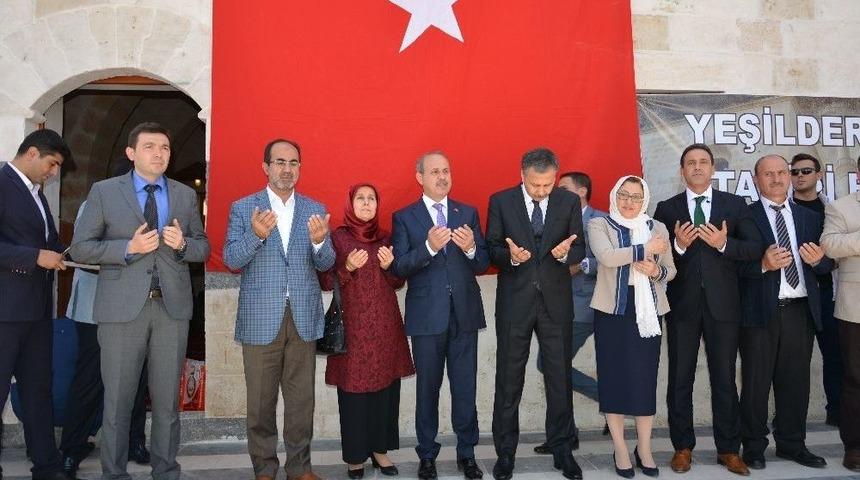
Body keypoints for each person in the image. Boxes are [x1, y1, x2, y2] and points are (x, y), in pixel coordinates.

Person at [69, 122, 210, 480]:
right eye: (150, 147)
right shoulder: (104, 192)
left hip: (171, 309)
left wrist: (182, 245)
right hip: (120, 311)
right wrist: (126, 249)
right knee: (117, 401)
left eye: (164, 147)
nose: (160, 153)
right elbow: (81, 247)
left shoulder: (183, 195)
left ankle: (166, 470)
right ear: (131, 153)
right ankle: (114, 473)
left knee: (166, 404)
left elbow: (202, 247)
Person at [223, 138, 334, 480]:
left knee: (302, 401)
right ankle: (265, 468)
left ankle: (300, 467)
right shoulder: (244, 208)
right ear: (266, 167)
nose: (288, 169)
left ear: (300, 167)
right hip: (260, 318)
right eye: (280, 162)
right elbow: (231, 260)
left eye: (294, 163)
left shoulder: (314, 209)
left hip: (302, 317)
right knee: (260, 402)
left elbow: (327, 262)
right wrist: (255, 235)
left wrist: (319, 242)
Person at [652, 143, 763, 476]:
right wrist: (678, 245)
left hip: (724, 306)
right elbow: (656, 256)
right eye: (690, 163)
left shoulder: (734, 204)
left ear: (713, 168)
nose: (697, 167)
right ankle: (682, 447)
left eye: (703, 162)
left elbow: (755, 248)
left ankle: (729, 450)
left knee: (725, 379)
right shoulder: (667, 208)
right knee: (680, 379)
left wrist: (723, 244)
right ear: (682, 170)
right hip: (683, 307)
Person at [485, 148, 585, 480]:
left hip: (556, 303)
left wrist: (565, 254)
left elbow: (580, 246)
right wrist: (510, 257)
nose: (541, 191)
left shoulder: (568, 203)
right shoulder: (501, 201)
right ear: (522, 175)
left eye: (547, 185)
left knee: (559, 378)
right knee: (508, 380)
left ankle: (562, 449)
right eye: (535, 185)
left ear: (555, 177)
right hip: (515, 302)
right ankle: (505, 453)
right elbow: (492, 248)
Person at [391, 151, 488, 480]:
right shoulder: (405, 217)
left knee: (465, 389)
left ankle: (467, 453)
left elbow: (482, 263)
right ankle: (427, 455)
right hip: (426, 318)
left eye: (446, 170)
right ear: (419, 177)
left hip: (464, 315)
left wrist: (472, 247)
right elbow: (399, 268)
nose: (442, 177)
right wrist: (429, 248)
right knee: (427, 390)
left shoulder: (467, 212)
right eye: (434, 171)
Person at [738, 154, 834, 470]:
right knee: (755, 383)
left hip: (799, 311)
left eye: (783, 172)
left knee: (795, 383)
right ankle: (753, 446)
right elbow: (731, 267)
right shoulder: (744, 216)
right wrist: (762, 265)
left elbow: (825, 265)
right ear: (756, 179)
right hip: (759, 312)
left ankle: (792, 444)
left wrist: (819, 260)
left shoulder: (808, 216)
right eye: (769, 174)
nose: (778, 178)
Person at [60, 164, 151, 478]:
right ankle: (71, 448)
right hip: (95, 308)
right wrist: (126, 251)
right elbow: (82, 252)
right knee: (91, 379)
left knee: (138, 379)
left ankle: (134, 441)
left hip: (137, 306)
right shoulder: (97, 201)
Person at [320, 183, 415, 479]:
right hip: (353, 329)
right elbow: (324, 280)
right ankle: (355, 457)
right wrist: (346, 266)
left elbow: (397, 282)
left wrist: (391, 268)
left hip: (385, 327)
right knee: (353, 394)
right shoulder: (338, 238)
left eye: (371, 198)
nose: (366, 203)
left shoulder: (386, 237)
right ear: (350, 204)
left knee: (384, 392)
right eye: (360, 198)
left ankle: (380, 452)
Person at [0, 129, 76, 480]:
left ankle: (46, 466)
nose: (53, 172)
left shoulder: (37, 195)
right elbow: (30, 249)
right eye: (52, 164)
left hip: (36, 313)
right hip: (4, 313)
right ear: (32, 153)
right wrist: (35, 257)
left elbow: (50, 242)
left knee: (39, 391)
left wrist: (72, 252)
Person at [589, 175, 674, 478]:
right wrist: (643, 249)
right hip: (614, 311)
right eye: (624, 195)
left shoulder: (658, 228)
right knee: (614, 378)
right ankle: (620, 448)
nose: (629, 201)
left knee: (643, 378)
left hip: (649, 310)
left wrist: (655, 269)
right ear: (614, 195)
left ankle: (645, 448)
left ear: (644, 199)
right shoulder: (600, 224)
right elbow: (608, 258)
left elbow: (670, 271)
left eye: (636, 197)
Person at [534, 171, 607, 455]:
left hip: (585, 306)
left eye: (562, 188)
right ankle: (569, 431)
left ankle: (570, 430)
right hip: (557, 306)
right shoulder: (556, 219)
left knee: (551, 365)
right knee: (553, 367)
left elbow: (614, 257)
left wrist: (580, 265)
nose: (555, 193)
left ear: (582, 191)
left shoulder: (600, 219)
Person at [790, 153, 842, 427]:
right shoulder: (783, 209)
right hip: (795, 295)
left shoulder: (831, 210)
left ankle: (837, 411)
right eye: (795, 171)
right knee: (793, 361)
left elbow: (838, 252)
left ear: (819, 174)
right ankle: (788, 418)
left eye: (806, 171)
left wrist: (824, 261)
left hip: (826, 293)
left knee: (835, 356)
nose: (800, 176)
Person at [820, 156, 860, 472]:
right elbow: (830, 245)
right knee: (855, 380)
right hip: (854, 309)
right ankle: (855, 447)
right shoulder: (841, 207)